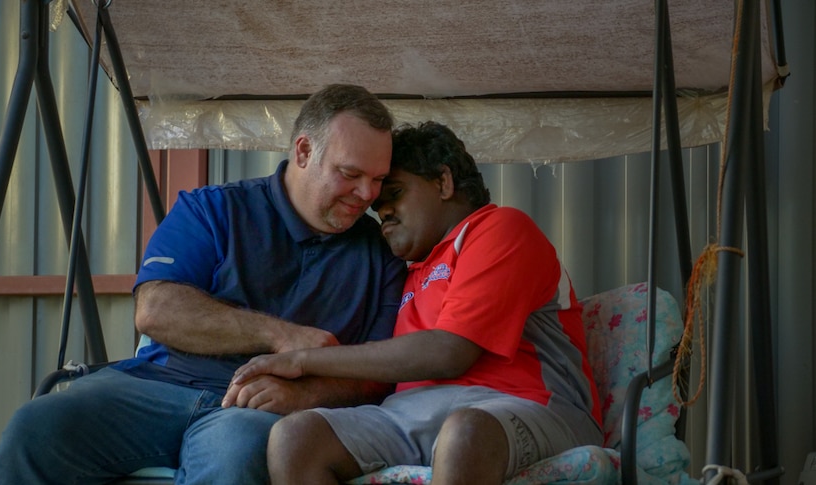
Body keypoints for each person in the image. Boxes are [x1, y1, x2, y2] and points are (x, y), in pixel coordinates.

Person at [0, 84, 407, 485]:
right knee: (38, 424)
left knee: (237, 450)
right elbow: (156, 310)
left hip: (255, 412)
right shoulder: (213, 208)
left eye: (379, 179)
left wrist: (306, 394)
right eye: (351, 173)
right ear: (303, 151)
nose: (367, 193)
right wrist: (280, 335)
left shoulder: (383, 254)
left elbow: (377, 375)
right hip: (154, 388)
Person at [226, 121, 604, 485]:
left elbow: (448, 352)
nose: (382, 211)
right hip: (412, 415)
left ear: (443, 182)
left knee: (464, 432)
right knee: (296, 438)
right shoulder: (406, 270)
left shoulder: (500, 228)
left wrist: (300, 359)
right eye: (377, 207)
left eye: (395, 194)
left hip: (529, 407)